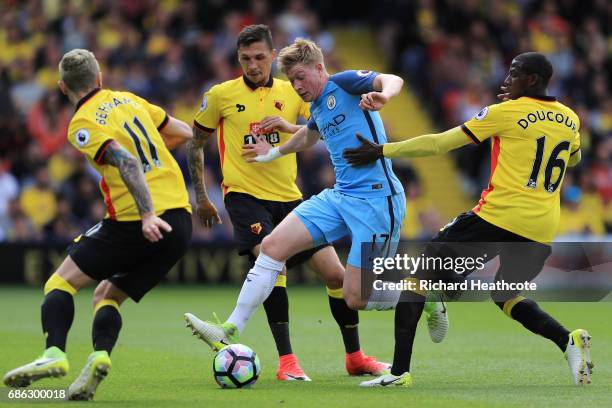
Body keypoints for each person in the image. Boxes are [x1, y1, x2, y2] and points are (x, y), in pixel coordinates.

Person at [184, 38, 448, 386]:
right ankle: (229, 327)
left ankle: (425, 295)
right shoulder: (319, 107)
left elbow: (391, 78)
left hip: (376, 200)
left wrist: (385, 95)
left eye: (300, 78)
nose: (296, 86)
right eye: (291, 80)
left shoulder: (345, 83)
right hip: (340, 196)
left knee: (355, 297)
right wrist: (272, 155)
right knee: (273, 247)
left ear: (319, 69)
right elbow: (308, 136)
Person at [343, 52, 592, 387]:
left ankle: (399, 372)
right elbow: (573, 160)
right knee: (506, 296)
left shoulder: (504, 112)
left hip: (499, 216)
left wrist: (383, 150)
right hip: (542, 226)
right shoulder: (570, 118)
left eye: (514, 74)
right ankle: (568, 341)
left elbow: (440, 144)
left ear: (531, 80)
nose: (506, 80)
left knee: (417, 280)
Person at [2, 49, 193, 400]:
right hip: (181, 222)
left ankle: (54, 355)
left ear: (62, 88)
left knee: (59, 282)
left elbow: (127, 162)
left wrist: (148, 213)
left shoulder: (82, 122)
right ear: (99, 77)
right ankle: (100, 355)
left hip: (136, 219)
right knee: (107, 294)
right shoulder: (130, 99)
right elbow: (184, 132)